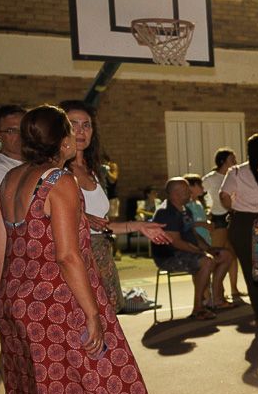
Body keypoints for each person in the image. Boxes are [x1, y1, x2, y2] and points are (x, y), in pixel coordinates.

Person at [0, 104, 172, 394]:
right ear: (61, 141)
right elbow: (68, 254)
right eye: (71, 130)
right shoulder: (60, 180)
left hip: (15, 301)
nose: (76, 136)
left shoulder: (11, 179)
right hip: (54, 305)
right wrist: (92, 313)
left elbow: (0, 249)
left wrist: (14, 301)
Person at [60, 100, 167, 313]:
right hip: (73, 259)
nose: (81, 131)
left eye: (86, 125)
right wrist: (81, 218)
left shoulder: (94, 171)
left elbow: (102, 225)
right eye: (73, 125)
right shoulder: (54, 170)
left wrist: (138, 226)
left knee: (107, 327)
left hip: (101, 254)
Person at [220, 134, 258, 326]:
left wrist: (231, 208)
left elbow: (224, 196)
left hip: (243, 223)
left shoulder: (236, 172)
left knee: (250, 268)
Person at [151, 178, 225, 320]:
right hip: (169, 256)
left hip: (187, 252)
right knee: (206, 262)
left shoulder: (185, 210)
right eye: (185, 190)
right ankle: (198, 308)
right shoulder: (167, 212)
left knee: (225, 255)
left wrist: (208, 248)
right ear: (175, 194)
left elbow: (194, 236)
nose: (189, 192)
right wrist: (201, 252)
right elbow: (176, 242)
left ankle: (215, 297)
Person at [184, 172, 236, 309]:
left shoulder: (198, 203)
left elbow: (200, 220)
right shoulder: (187, 205)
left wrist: (207, 222)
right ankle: (207, 297)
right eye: (199, 185)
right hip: (196, 242)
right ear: (191, 187)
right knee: (203, 268)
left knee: (223, 258)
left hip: (205, 240)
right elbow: (188, 225)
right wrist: (203, 224)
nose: (202, 187)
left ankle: (212, 295)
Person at [202, 148, 242, 301]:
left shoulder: (235, 176)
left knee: (232, 254)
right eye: (232, 159)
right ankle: (216, 289)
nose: (235, 162)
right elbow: (200, 193)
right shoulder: (211, 178)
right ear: (222, 161)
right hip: (218, 218)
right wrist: (207, 210)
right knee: (218, 254)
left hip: (232, 216)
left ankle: (234, 288)